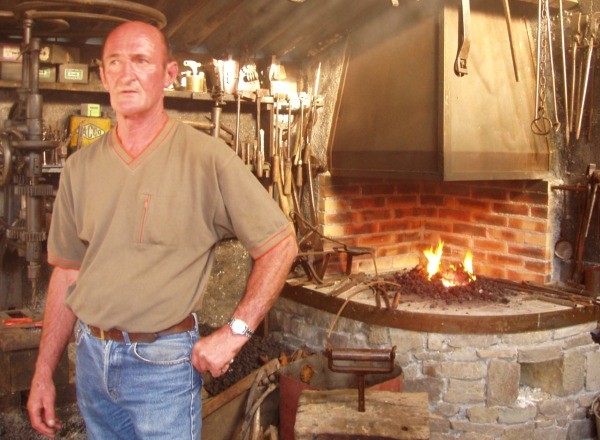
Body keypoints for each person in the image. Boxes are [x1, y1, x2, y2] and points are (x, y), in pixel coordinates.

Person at [27, 20, 297, 439]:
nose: (126, 73)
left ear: (169, 74)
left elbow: (280, 244)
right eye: (114, 62)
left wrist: (234, 333)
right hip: (91, 361)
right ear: (102, 75)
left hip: (163, 366)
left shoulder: (207, 158)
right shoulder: (80, 168)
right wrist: (44, 372)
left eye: (140, 60)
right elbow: (66, 272)